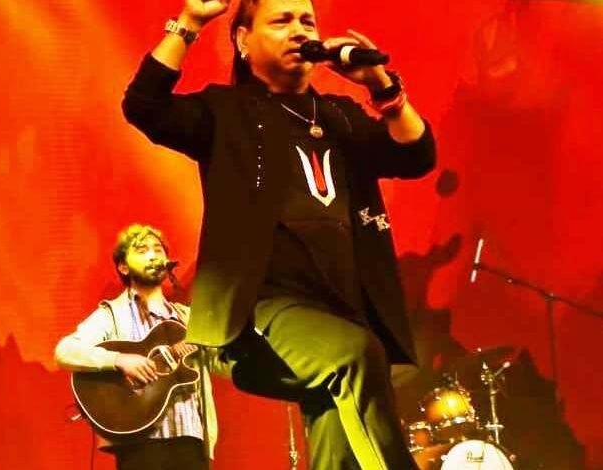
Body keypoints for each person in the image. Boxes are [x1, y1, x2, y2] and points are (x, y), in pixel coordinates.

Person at [122, 0, 436, 468]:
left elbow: (416, 155)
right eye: (282, 20)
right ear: (243, 40)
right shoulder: (225, 112)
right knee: (356, 355)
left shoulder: (340, 115)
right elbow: (144, 106)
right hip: (260, 314)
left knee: (337, 411)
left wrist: (381, 86)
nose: (299, 30)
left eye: (307, 21)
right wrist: (189, 23)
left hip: (340, 314)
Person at [55, 224, 224, 470]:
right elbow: (65, 351)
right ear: (123, 267)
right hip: (138, 444)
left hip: (191, 441)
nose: (153, 255)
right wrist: (119, 360)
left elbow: (220, 363)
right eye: (142, 250)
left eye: (158, 249)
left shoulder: (189, 319)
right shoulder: (112, 314)